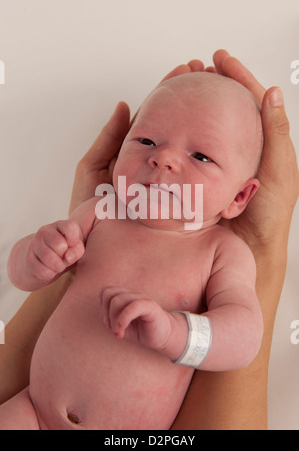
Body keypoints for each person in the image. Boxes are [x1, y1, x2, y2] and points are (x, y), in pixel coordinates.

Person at [0, 50, 298, 429]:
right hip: (32, 411)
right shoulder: (100, 212)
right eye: (145, 140)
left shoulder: (220, 252)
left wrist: (175, 332)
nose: (165, 158)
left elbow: (243, 338)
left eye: (202, 156)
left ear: (240, 197)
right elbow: (24, 277)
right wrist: (36, 257)